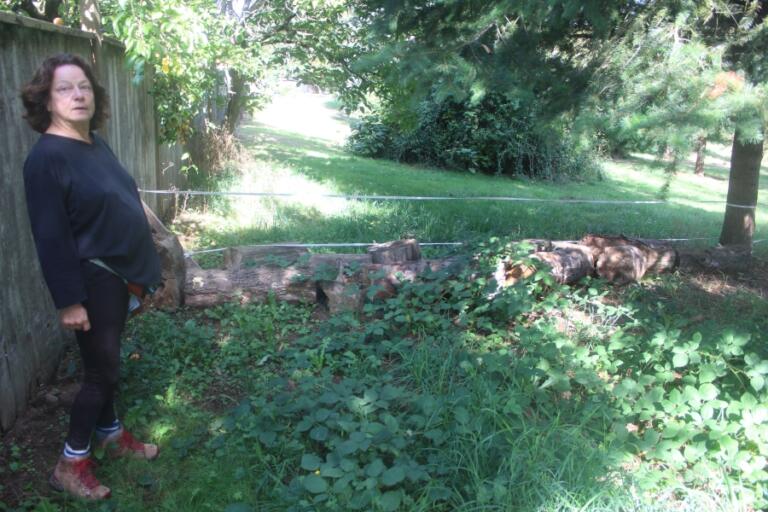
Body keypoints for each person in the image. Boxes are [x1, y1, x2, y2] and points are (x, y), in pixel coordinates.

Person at [21, 53, 162, 500]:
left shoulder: (94, 142)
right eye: (64, 88)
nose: (78, 95)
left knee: (107, 364)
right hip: (92, 278)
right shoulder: (46, 160)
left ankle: (110, 433)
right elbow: (51, 237)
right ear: (46, 99)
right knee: (101, 373)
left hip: (117, 274)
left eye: (83, 86)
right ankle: (70, 462)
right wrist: (69, 301)